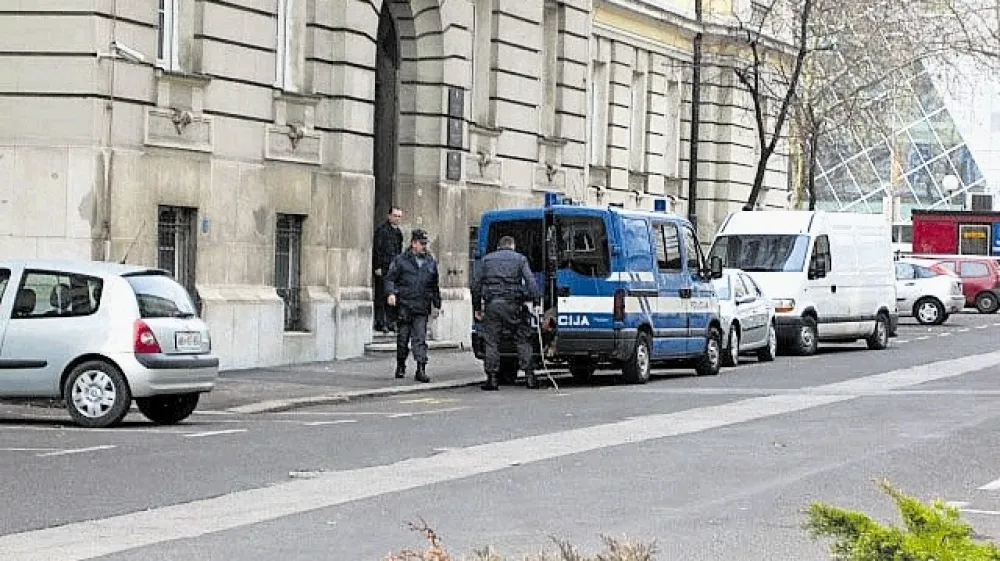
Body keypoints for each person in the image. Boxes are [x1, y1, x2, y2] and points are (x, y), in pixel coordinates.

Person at [471, 235, 540, 391]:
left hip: (492, 305)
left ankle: (492, 379)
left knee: (492, 341)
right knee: (522, 338)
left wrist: (477, 307)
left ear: (499, 246)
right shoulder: (520, 259)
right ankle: (530, 376)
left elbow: (475, 285)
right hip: (513, 305)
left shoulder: (487, 260)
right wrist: (535, 301)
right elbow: (531, 282)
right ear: (512, 246)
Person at [384, 229, 441, 383]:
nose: (424, 247)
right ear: (413, 243)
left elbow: (434, 285)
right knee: (403, 339)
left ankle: (421, 368)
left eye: (425, 244)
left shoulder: (430, 261)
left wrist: (437, 305)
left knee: (420, 339)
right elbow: (390, 279)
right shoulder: (401, 260)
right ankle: (401, 364)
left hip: (422, 305)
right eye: (421, 244)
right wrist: (391, 293)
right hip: (405, 305)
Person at [372, 207, 404, 332]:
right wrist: (377, 266)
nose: (397, 218)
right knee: (381, 295)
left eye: (399, 216)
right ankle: (380, 322)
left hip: (394, 269)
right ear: (389, 216)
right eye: (395, 216)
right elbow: (377, 250)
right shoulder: (382, 231)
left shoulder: (399, 233)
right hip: (383, 267)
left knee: (393, 295)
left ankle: (391, 322)